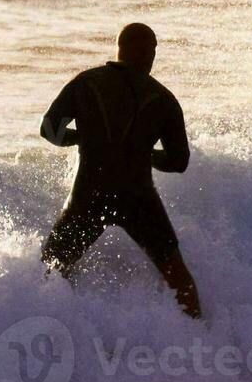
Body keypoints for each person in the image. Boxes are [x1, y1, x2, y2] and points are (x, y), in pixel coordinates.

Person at [39, 23, 203, 318]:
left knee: (51, 267)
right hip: (138, 198)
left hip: (90, 193)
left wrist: (85, 138)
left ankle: (57, 330)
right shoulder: (163, 99)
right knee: (176, 274)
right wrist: (144, 153)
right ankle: (199, 336)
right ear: (150, 53)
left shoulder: (86, 83)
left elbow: (49, 130)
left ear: (120, 49)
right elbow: (179, 162)